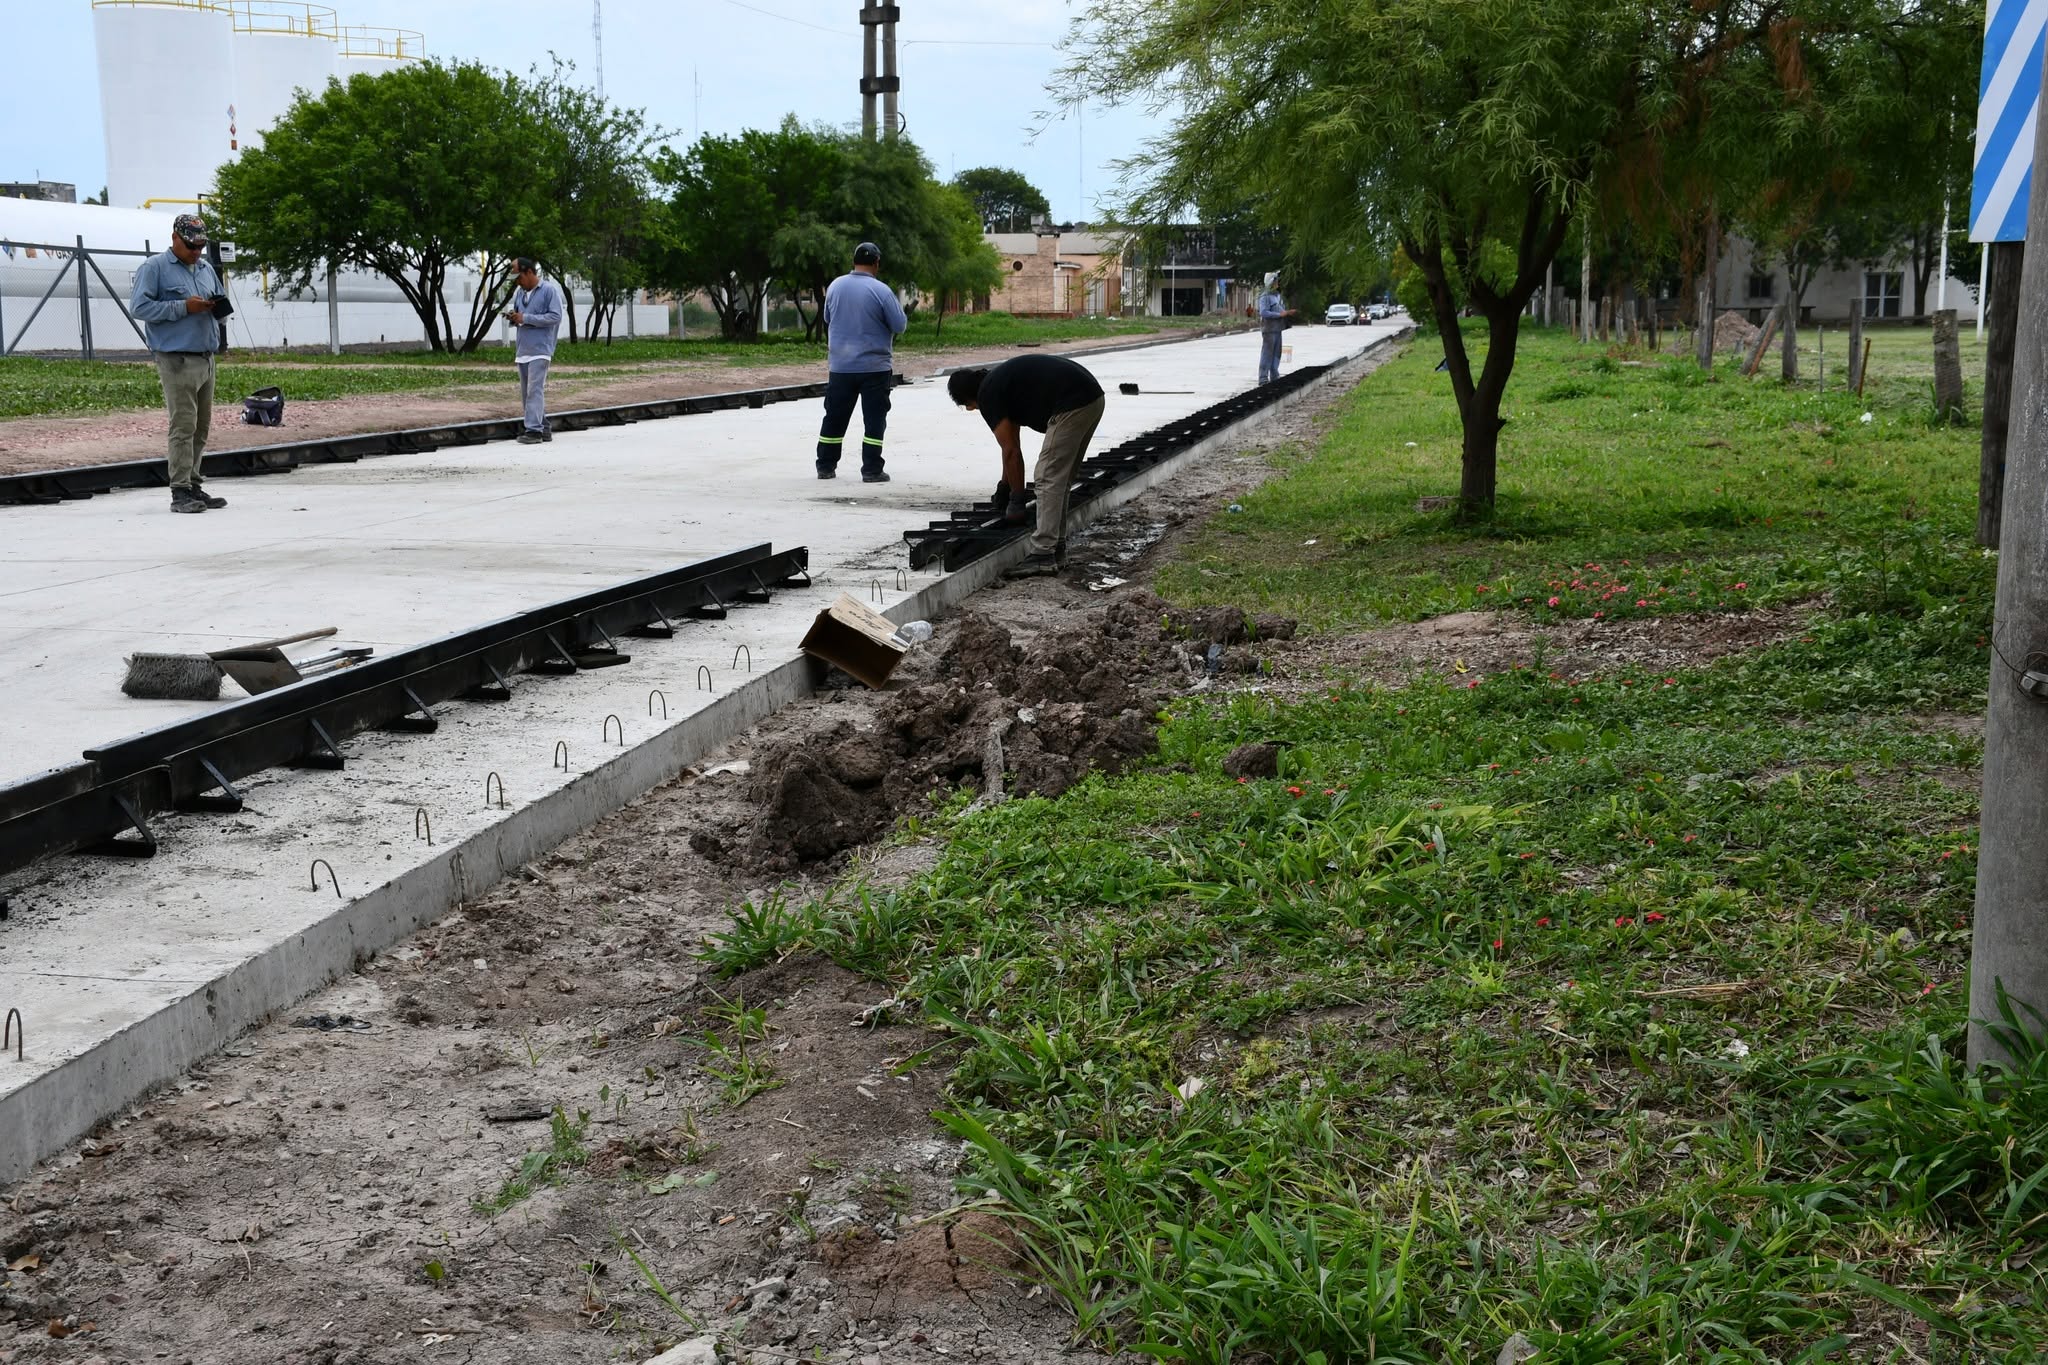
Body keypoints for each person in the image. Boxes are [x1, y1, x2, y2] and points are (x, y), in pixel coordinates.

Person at [946, 355, 1106, 579]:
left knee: (1047, 476)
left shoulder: (988, 395)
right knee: (1059, 478)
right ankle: (1055, 547)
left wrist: (1017, 500)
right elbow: (1011, 448)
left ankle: (1043, 554)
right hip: (1091, 398)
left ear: (968, 399)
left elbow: (1011, 451)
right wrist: (1006, 486)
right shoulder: (1001, 384)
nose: (972, 410)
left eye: (968, 407)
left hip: (1073, 403)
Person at [129, 213, 227, 514]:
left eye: (200, 247)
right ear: (174, 238)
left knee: (201, 427)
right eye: (190, 246)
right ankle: (180, 491)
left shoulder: (206, 268)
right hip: (177, 359)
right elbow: (140, 307)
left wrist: (217, 308)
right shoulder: (154, 268)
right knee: (182, 425)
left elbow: (219, 301)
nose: (196, 252)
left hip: (205, 358)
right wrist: (184, 307)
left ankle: (194, 483)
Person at [816, 241, 907, 483]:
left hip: (840, 367)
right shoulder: (881, 291)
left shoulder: (835, 286)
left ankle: (825, 466)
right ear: (877, 263)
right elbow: (900, 325)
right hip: (874, 368)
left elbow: (827, 317)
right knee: (874, 421)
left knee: (834, 417)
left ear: (853, 261)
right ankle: (872, 470)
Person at [503, 258, 564, 444]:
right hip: (523, 350)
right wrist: (515, 318)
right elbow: (521, 316)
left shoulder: (549, 291)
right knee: (526, 393)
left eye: (518, 277)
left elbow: (555, 316)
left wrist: (526, 318)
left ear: (529, 272)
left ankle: (534, 431)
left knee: (534, 390)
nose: (517, 281)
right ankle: (543, 427)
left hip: (540, 349)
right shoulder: (520, 294)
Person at [1256, 271, 1297, 385]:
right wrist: (1280, 315)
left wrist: (1287, 313)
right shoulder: (1265, 296)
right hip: (1269, 330)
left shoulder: (1277, 296)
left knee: (1276, 354)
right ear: (1271, 282)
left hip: (1278, 329)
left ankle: (1274, 376)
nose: (1277, 283)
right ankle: (1263, 378)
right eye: (1276, 281)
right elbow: (1264, 312)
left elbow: (1281, 310)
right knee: (1267, 353)